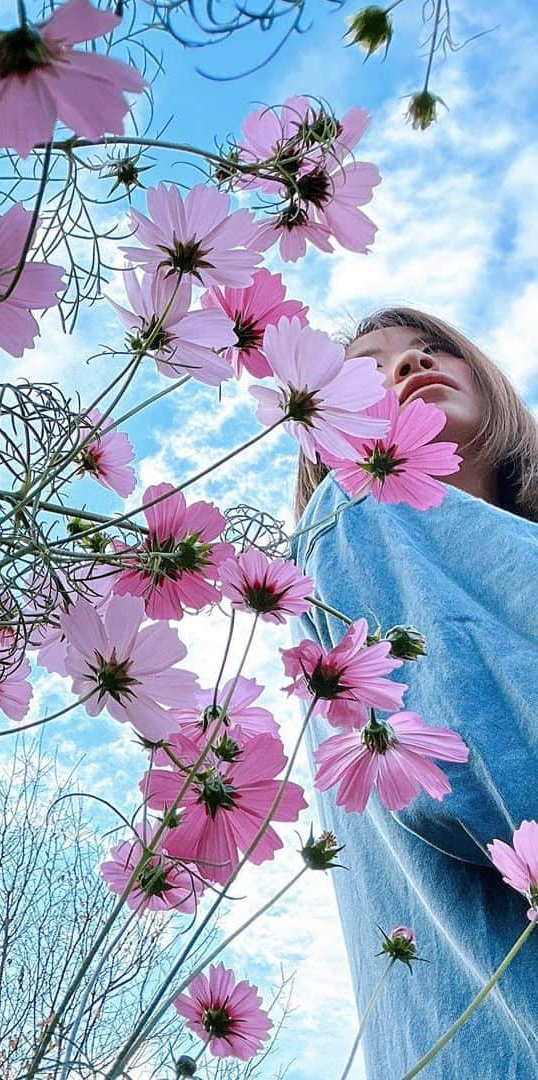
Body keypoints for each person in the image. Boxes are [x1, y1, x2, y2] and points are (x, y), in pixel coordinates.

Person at [289, 307, 538, 1078]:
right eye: (370, 369)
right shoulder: (359, 512)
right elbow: (499, 771)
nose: (409, 365)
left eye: (433, 350)